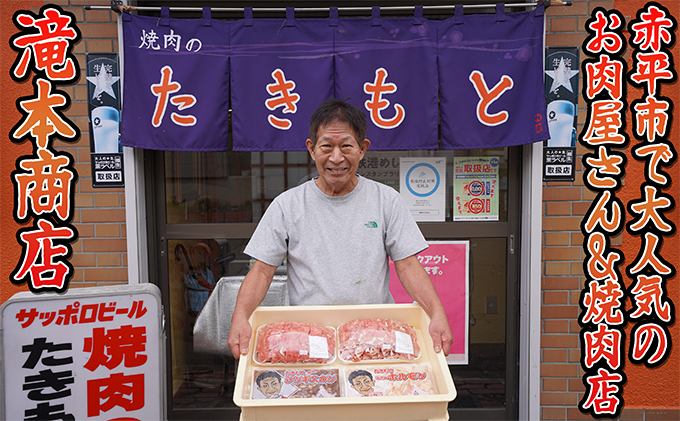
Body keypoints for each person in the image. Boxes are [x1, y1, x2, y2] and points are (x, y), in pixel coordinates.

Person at [227, 98, 453, 358]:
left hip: (374, 337)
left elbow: (408, 265)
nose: (336, 158)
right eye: (326, 146)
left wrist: (436, 313)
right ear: (311, 149)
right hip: (309, 338)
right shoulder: (287, 205)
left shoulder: (386, 200)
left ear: (362, 149)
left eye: (346, 146)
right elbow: (262, 271)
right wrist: (240, 316)